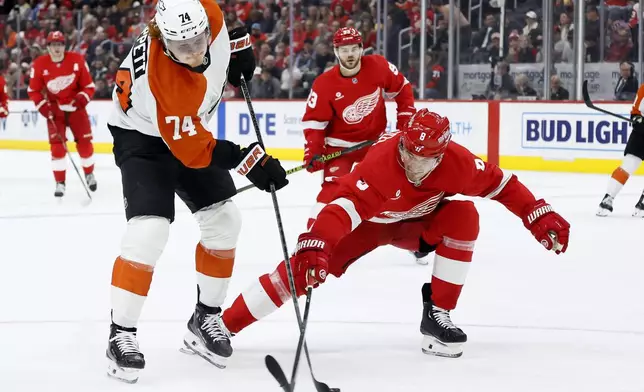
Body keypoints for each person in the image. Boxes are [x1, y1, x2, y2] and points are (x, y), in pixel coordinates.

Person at [221, 109, 570, 358]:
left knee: (464, 216)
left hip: (413, 224)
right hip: (367, 224)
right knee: (305, 266)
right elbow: (345, 207)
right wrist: (319, 242)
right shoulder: (384, 163)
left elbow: (500, 183)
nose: (412, 164)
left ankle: (437, 315)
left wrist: (535, 213)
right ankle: (225, 324)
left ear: (442, 156)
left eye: (424, 159)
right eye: (408, 153)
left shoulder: (458, 163)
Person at [105, 0, 288, 383]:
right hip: (143, 140)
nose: (195, 52)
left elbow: (222, 33)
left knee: (224, 221)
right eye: (182, 47)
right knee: (149, 231)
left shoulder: (207, 14)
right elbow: (198, 151)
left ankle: (205, 318)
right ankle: (120, 335)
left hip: (189, 126)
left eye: (200, 40)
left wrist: (236, 53)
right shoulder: (165, 83)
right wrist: (251, 161)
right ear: (162, 39)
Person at [301, 26, 421, 262]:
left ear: (361, 49)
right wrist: (313, 152)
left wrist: (404, 124)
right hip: (339, 147)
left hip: (376, 144)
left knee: (394, 193)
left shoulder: (378, 66)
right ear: (336, 52)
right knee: (333, 192)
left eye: (354, 48)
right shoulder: (324, 84)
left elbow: (403, 90)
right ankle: (313, 242)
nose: (350, 54)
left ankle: (415, 239)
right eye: (344, 49)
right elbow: (314, 122)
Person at [28, 31, 97, 197]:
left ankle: (89, 173)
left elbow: (89, 86)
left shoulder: (77, 60)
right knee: (57, 148)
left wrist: (80, 100)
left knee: (85, 144)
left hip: (76, 109)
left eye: (59, 44)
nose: (57, 48)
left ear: (64, 46)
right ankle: (60, 182)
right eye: (53, 45)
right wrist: (44, 106)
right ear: (48, 47)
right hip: (55, 110)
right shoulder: (39, 64)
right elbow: (33, 90)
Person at [597, 82, 644, 217]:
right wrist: (638, 120)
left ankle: (642, 204)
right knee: (627, 167)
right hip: (640, 135)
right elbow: (635, 112)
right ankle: (608, 198)